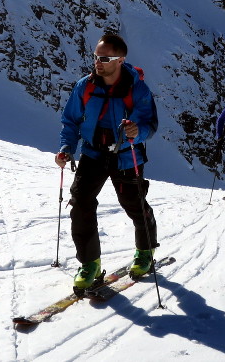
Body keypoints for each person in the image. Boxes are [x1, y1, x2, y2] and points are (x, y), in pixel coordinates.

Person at [56, 33, 159, 293]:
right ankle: (90, 264)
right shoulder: (85, 86)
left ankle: (145, 251)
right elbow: (71, 121)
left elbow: (150, 124)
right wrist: (67, 148)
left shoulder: (137, 89)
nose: (97, 62)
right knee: (80, 203)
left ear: (120, 59)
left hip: (126, 155)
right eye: (95, 57)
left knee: (134, 204)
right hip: (92, 153)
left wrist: (138, 132)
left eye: (104, 58)